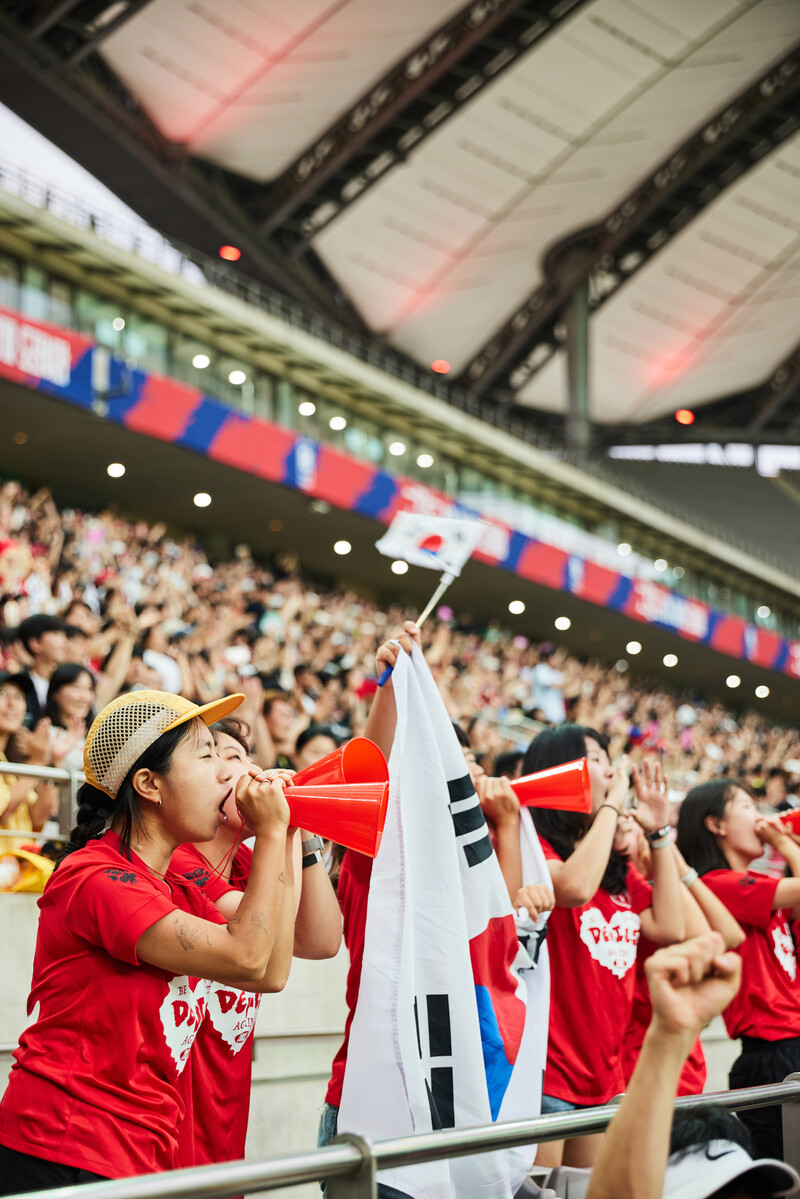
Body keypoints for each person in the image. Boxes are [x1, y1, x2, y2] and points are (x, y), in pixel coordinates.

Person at [0, 688, 295, 1193]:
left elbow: (270, 971)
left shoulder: (175, 885)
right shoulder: (94, 876)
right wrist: (269, 834)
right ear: (149, 784)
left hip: (138, 1146)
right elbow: (245, 957)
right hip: (66, 1143)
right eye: (206, 756)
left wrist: (288, 835)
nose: (227, 773)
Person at [170, 717, 341, 1169]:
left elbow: (322, 940)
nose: (248, 772)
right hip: (174, 1118)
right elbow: (266, 950)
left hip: (224, 1111)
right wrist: (279, 830)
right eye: (223, 759)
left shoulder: (251, 863)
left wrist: (297, 832)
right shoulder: (176, 858)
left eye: (247, 758)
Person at [525, 726, 684, 1169]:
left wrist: (658, 834)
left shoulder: (616, 866)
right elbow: (573, 887)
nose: (611, 769)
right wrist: (613, 804)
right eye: (596, 758)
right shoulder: (532, 844)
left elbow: (670, 925)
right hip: (548, 1074)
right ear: (560, 771)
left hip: (605, 1075)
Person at [677, 780, 800, 1159]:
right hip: (771, 1054)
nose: (760, 815)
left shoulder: (762, 885)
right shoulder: (716, 884)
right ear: (716, 824)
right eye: (747, 805)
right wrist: (783, 842)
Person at [615, 790, 744, 1096]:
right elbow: (714, 937)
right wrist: (660, 846)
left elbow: (729, 936)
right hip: (640, 1053)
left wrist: (669, 856)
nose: (629, 830)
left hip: (683, 1052)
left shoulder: (659, 883)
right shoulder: (625, 890)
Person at [0, 672, 58, 854]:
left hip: (18, 875)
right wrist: (37, 763)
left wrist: (54, 763)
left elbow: (37, 819)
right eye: (2, 694)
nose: (12, 703)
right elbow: (4, 809)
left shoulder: (8, 763)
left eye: (19, 697)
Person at [42, 663, 96, 773]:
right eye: (76, 688)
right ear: (55, 692)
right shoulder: (45, 734)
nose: (84, 697)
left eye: (89, 689)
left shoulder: (94, 738)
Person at [15, 615, 68, 726]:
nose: (64, 641)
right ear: (36, 643)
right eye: (56, 634)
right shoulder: (19, 685)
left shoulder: (68, 681)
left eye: (64, 635)